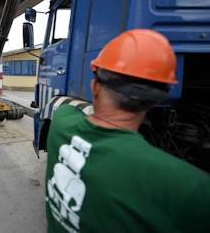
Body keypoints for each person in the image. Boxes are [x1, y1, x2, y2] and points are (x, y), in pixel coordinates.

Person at [45, 29, 210, 233]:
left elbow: (69, 108)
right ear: (157, 101)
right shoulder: (189, 187)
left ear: (94, 87)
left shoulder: (62, 121)